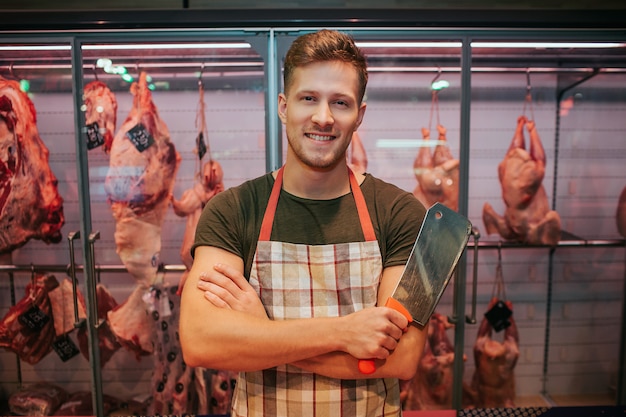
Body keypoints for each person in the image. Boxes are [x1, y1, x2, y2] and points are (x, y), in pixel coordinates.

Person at [180, 29, 427, 417]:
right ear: (283, 106)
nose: (323, 117)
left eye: (340, 102)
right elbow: (200, 342)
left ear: (359, 115)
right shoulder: (232, 210)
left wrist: (261, 333)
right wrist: (344, 334)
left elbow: (402, 359)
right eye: (308, 98)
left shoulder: (400, 213)